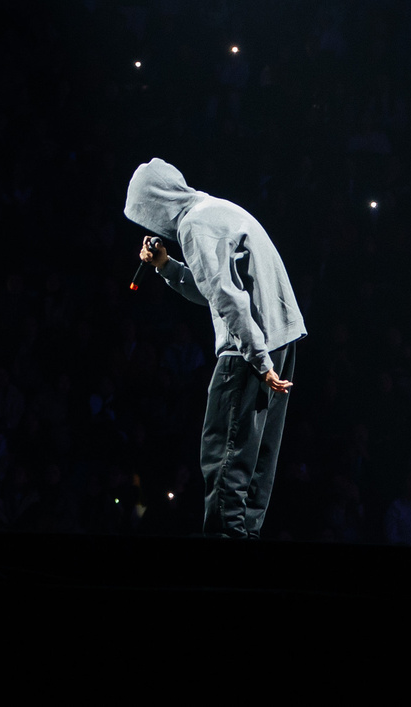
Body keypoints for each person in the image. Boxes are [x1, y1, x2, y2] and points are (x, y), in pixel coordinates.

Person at [124, 157, 306, 537]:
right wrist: (167, 266)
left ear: (154, 203)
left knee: (224, 462)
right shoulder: (216, 210)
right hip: (280, 341)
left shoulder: (194, 224)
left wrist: (258, 361)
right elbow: (214, 289)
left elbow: (226, 298)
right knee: (255, 468)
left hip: (248, 350)